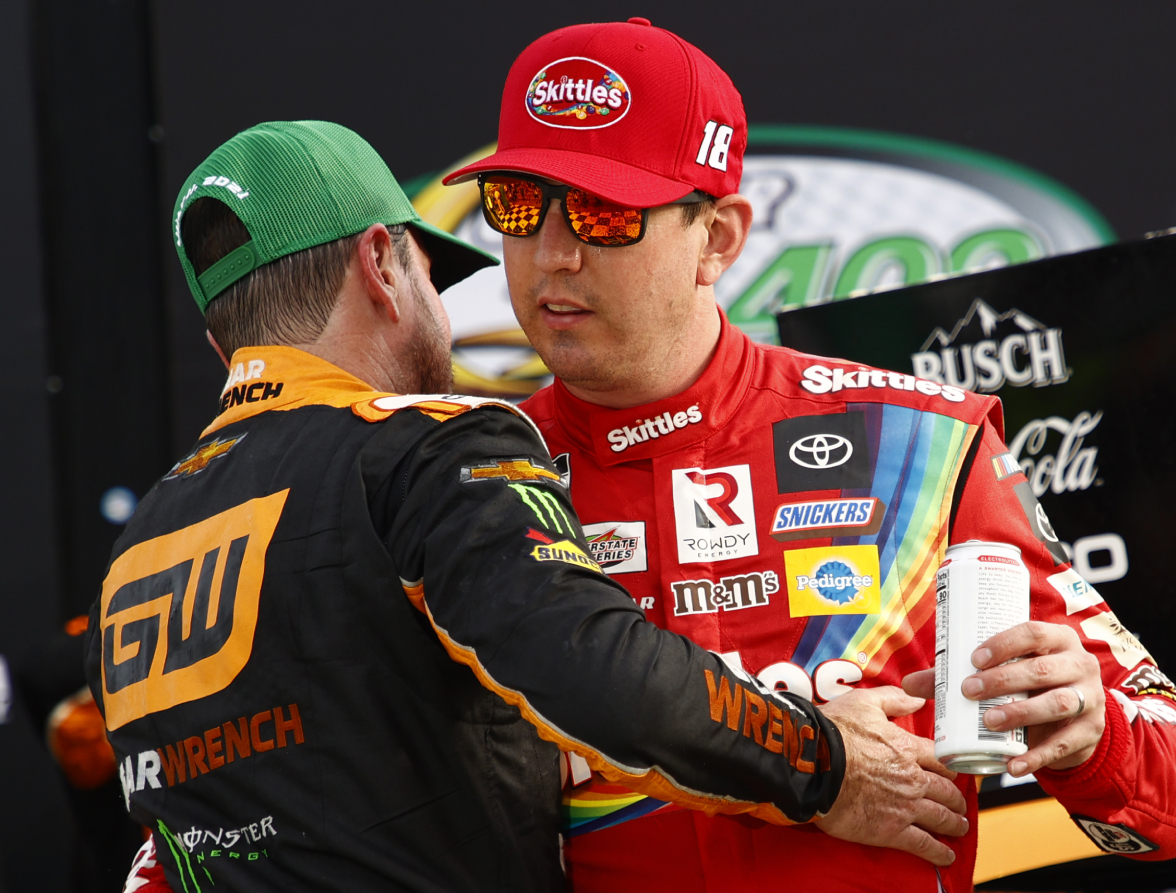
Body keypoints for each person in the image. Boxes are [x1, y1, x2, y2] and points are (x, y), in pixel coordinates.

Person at [88, 120, 970, 893]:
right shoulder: (423, 445)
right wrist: (828, 761)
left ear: (219, 343)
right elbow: (599, 671)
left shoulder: (138, 551)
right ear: (382, 269)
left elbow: (170, 848)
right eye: (433, 274)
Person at [442, 17, 1176, 892]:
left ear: (720, 237)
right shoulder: (466, 480)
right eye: (515, 208)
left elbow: (1175, 806)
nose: (551, 254)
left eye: (604, 213)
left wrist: (1091, 732)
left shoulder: (918, 444)